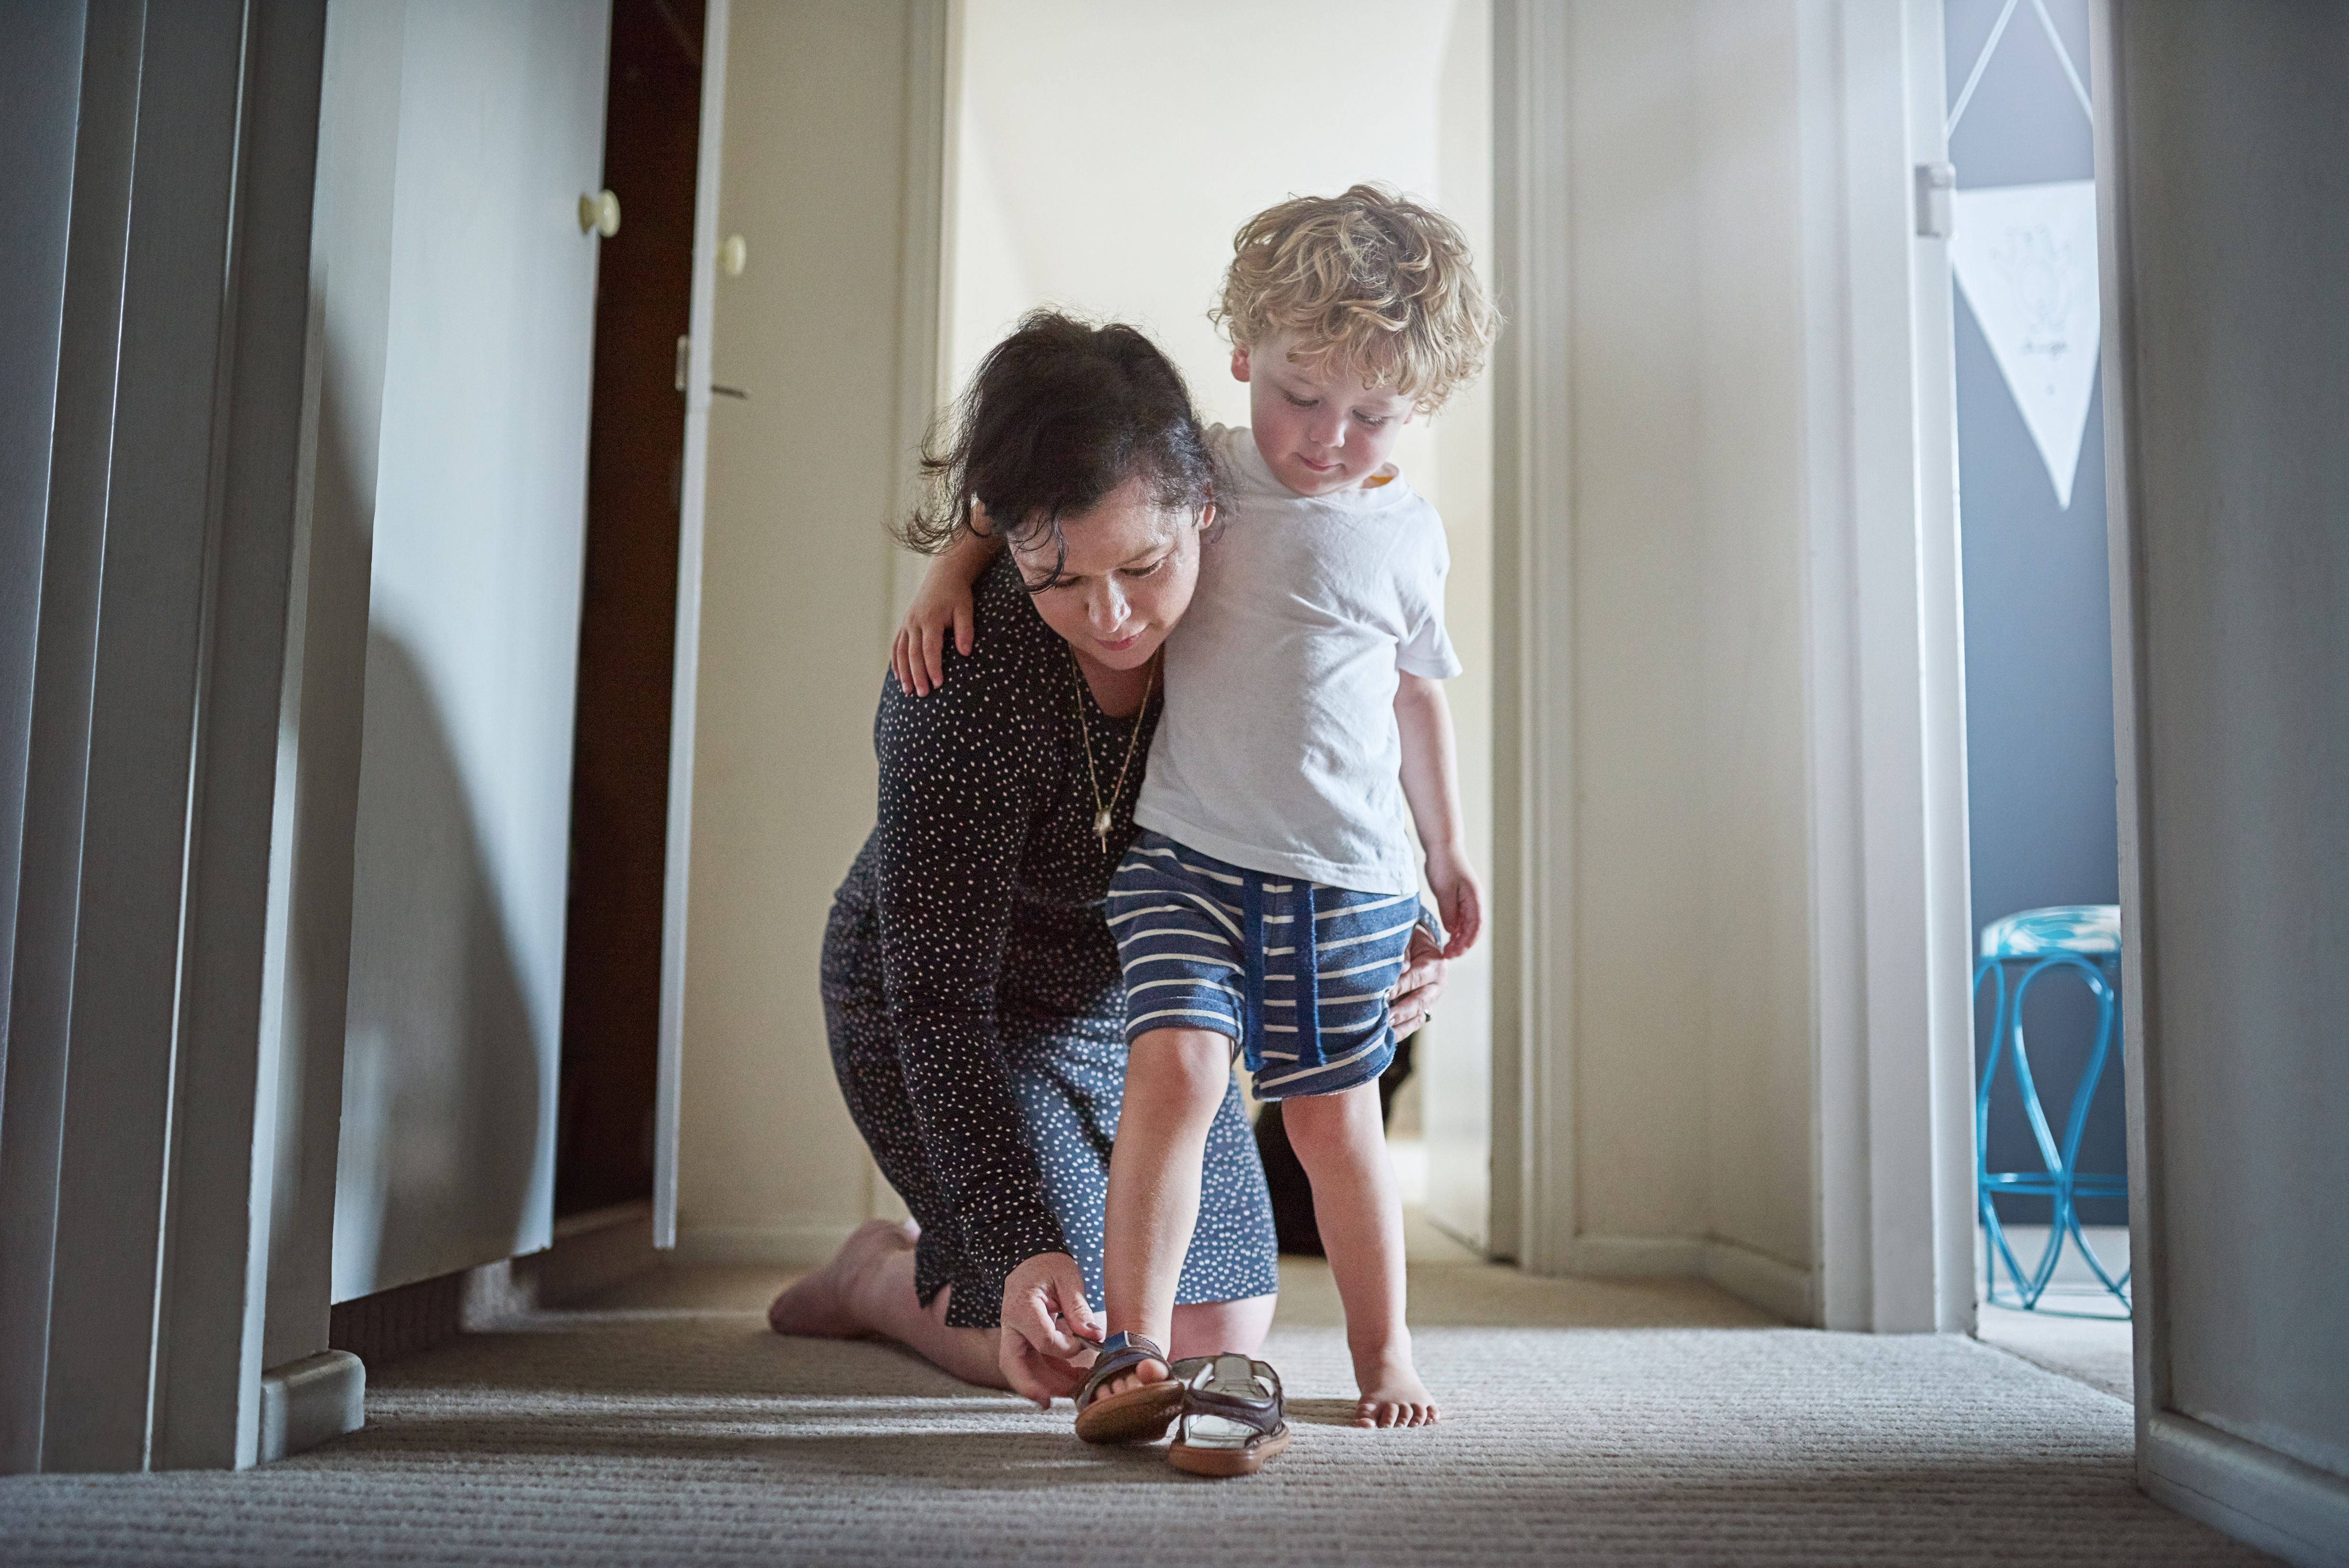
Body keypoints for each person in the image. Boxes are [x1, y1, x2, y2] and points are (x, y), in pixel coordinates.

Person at [896, 186, 1497, 1441]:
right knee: (1156, 1105)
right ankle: (1110, 1346)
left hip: (1336, 883)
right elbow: (1051, 482)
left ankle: (1385, 1350)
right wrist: (960, 557)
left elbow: (1413, 701)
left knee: (1324, 1146)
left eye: (1370, 414)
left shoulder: (1387, 531)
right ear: (1244, 361)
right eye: (1299, 396)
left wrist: (1440, 860)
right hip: (1155, 893)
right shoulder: (1197, 481)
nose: (1327, 440)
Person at [768, 311, 1450, 1408]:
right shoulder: (959, 685)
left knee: (1218, 1321)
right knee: (1077, 1324)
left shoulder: (1249, 603)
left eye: (1145, 564)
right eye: (1063, 579)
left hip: (1141, 1003)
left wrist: (1397, 922)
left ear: (1209, 514)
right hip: (950, 1005)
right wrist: (1013, 1238)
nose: (1115, 615)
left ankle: (951, 1262)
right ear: (1015, 540)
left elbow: (1353, 754)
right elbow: (934, 997)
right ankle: (877, 1281)